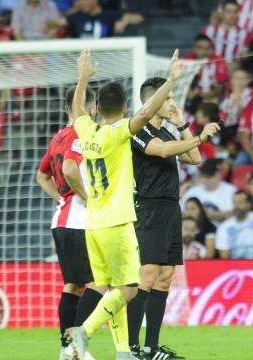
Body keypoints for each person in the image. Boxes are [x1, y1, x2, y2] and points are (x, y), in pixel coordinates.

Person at [66, 49, 183, 360]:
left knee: (110, 285)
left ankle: (123, 352)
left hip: (93, 223)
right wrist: (170, 81)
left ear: (98, 109)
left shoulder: (87, 131)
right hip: (118, 223)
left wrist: (83, 78)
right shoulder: (118, 133)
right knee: (128, 289)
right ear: (125, 107)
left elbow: (77, 109)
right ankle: (81, 336)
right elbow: (145, 115)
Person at [127, 77, 219, 359]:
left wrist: (181, 124)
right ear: (152, 102)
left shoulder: (168, 132)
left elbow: (194, 158)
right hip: (149, 207)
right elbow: (165, 151)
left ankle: (151, 347)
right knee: (147, 275)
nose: (172, 103)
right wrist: (201, 136)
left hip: (170, 208)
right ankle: (131, 348)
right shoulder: (138, 131)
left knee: (165, 277)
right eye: (167, 99)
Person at [36, 86, 105, 360]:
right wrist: (88, 198)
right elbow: (68, 168)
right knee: (103, 281)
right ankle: (77, 345)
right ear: (89, 108)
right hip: (79, 220)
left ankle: (68, 349)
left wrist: (60, 198)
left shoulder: (58, 137)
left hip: (62, 219)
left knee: (74, 285)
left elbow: (41, 176)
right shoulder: (80, 133)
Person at [215, 190, 253, 259]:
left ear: (249, 205)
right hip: (235, 266)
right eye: (234, 203)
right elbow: (224, 255)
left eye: (241, 202)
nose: (236, 206)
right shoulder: (224, 226)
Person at [180, 159, 238, 223]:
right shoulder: (193, 191)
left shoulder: (231, 190)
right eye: (205, 177)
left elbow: (234, 213)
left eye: (211, 177)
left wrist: (203, 213)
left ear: (219, 175)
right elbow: (183, 213)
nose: (208, 180)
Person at [62, 0, 143, 39]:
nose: (80, 3)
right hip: (83, 57)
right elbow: (56, 22)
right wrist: (76, 7)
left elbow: (138, 18)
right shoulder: (77, 16)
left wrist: (124, 21)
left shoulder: (109, 15)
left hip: (104, 56)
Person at [185, 34, 230, 103]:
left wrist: (204, 97)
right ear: (194, 49)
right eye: (200, 48)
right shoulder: (187, 60)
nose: (204, 52)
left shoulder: (218, 61)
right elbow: (182, 83)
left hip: (212, 98)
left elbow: (221, 87)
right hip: (192, 99)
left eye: (207, 48)